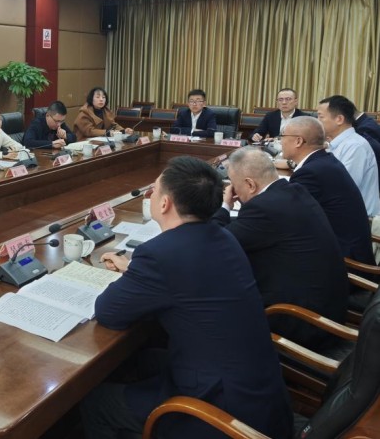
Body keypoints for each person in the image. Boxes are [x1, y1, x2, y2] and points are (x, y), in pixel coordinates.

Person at [81, 156, 291, 439]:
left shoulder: (159, 255)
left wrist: (140, 272)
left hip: (222, 416)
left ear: (165, 203)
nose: (151, 195)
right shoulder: (223, 237)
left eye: (154, 190)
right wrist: (136, 271)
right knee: (141, 359)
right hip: (261, 398)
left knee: (96, 404)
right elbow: (186, 274)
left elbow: (108, 312)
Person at [211, 147, 348, 350]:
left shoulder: (264, 209)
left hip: (302, 324)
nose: (233, 190)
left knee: (213, 305)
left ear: (250, 184)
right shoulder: (295, 190)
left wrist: (225, 207)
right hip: (329, 311)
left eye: (233, 183)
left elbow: (214, 242)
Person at [278, 116, 375, 265]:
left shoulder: (310, 172)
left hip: (345, 262)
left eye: (282, 136)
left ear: (298, 141)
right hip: (345, 248)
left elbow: (287, 215)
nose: (280, 142)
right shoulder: (323, 161)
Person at [317, 96, 380, 216]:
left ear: (339, 119)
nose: (317, 122)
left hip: (357, 217)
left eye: (321, 117)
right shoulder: (337, 143)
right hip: (341, 211)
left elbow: (341, 189)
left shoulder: (355, 146)